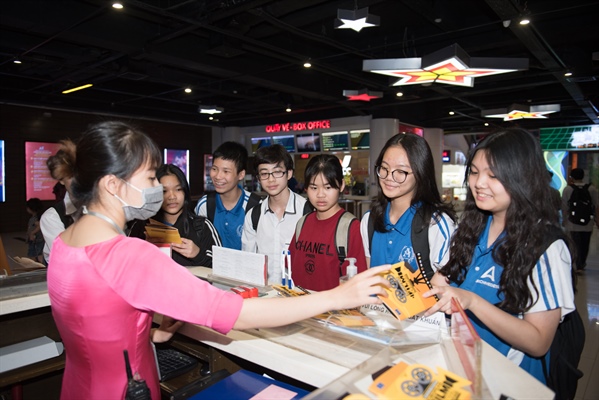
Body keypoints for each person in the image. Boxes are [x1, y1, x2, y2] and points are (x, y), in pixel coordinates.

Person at [47, 121, 390, 400]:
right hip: (126, 389)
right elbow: (235, 313)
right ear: (113, 185)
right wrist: (337, 297)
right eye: (150, 178)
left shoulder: (66, 241)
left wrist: (150, 331)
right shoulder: (128, 254)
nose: (158, 189)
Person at [424, 128, 575, 385]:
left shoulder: (545, 246)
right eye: (474, 172)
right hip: (462, 370)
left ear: (522, 178)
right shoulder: (471, 228)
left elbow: (538, 341)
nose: (479, 183)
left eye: (493, 175)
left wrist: (472, 301)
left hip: (509, 382)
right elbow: (446, 283)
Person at [360, 133, 457, 273]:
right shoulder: (370, 220)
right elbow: (368, 272)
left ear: (420, 173)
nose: (389, 177)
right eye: (384, 168)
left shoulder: (436, 223)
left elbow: (446, 282)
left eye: (401, 171)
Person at [289, 154, 367, 291]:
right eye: (314, 188)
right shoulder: (303, 223)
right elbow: (291, 265)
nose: (320, 194)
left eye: (328, 187)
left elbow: (358, 282)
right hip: (299, 302)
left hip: (333, 304)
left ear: (341, 185)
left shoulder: (351, 228)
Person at [130, 164, 222, 267]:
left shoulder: (201, 227)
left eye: (178, 189)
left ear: (185, 191)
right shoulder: (142, 226)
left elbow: (222, 265)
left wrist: (198, 254)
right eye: (164, 191)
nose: (172, 197)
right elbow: (125, 263)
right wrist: (144, 249)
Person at [242, 144, 308, 283]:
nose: (271, 179)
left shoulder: (306, 212)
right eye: (264, 173)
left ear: (289, 173)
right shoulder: (253, 216)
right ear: (258, 178)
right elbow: (248, 262)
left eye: (277, 172)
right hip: (264, 292)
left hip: (299, 292)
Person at [194, 141, 259, 250]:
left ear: (241, 174)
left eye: (226, 171)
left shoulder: (255, 206)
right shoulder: (205, 205)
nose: (218, 176)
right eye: (214, 169)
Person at [40, 140, 77, 264]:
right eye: (71, 175)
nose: (78, 181)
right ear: (61, 179)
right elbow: (68, 261)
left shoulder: (109, 206)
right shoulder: (53, 217)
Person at [561, 167, 598, 271]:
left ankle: (575, 263)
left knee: (574, 244)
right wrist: (597, 220)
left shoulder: (568, 189)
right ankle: (581, 263)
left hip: (572, 223)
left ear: (572, 177)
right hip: (588, 223)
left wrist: (564, 220)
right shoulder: (592, 189)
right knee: (584, 244)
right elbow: (596, 206)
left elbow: (564, 207)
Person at [25, 198, 45, 263]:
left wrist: (32, 233)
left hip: (36, 240)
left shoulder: (36, 218)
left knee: (34, 254)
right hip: (35, 240)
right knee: (36, 254)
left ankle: (36, 266)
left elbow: (39, 226)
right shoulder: (36, 217)